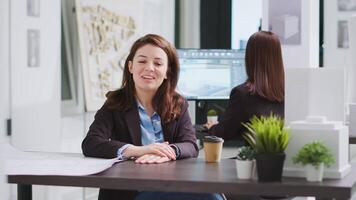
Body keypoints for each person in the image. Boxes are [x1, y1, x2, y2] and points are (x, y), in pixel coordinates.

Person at [82, 34, 223, 200]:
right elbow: (91, 143)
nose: (149, 68)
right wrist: (139, 150)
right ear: (130, 67)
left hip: (171, 185)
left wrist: (167, 151)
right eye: (142, 61)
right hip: (130, 192)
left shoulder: (178, 103)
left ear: (167, 72)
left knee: (212, 195)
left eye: (158, 63)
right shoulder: (115, 102)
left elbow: (190, 146)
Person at [206, 31, 285, 141]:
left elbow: (223, 132)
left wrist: (212, 127)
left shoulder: (242, 94)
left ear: (250, 58)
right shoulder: (288, 92)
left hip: (252, 158)